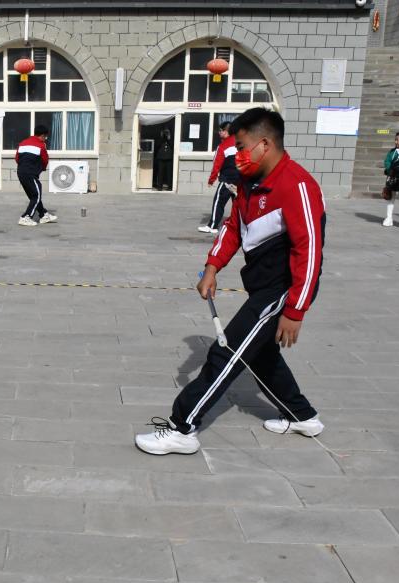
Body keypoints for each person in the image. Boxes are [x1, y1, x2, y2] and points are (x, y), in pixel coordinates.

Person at [135, 107, 325, 455]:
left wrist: (295, 310)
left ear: (265, 144)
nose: (237, 155)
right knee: (260, 355)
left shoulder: (297, 186)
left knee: (227, 352)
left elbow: (309, 251)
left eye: (241, 147)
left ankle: (182, 427)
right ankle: (302, 416)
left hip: (281, 290)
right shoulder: (249, 184)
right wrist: (212, 267)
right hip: (261, 285)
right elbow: (233, 227)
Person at [199, 121, 240, 234]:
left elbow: (217, 164)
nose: (219, 133)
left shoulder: (223, 146)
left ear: (226, 132)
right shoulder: (240, 142)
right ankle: (240, 227)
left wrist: (211, 180)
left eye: (221, 130)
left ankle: (212, 226)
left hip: (227, 179)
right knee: (238, 204)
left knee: (219, 202)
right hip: (240, 179)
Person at [15, 124, 57, 226]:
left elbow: (17, 158)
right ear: (42, 135)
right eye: (45, 137)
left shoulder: (22, 143)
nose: (45, 139)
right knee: (36, 195)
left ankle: (43, 215)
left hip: (21, 172)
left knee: (33, 195)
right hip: (30, 173)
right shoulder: (41, 145)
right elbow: (45, 160)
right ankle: (26, 217)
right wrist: (41, 169)